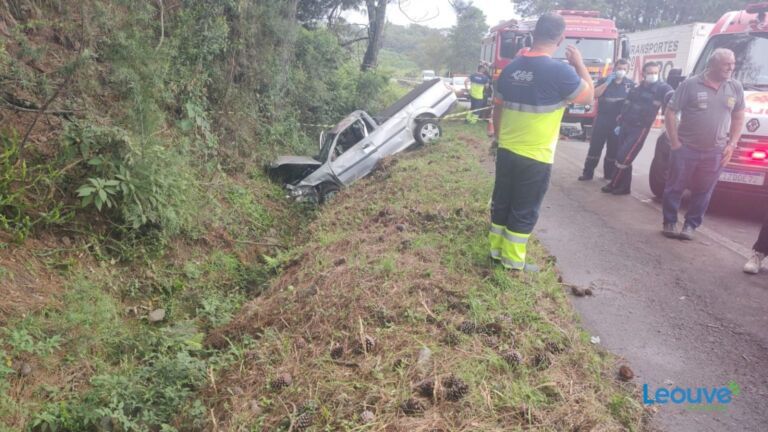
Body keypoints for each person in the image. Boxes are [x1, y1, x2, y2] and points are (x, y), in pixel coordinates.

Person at [489, 12, 594, 272]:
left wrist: (500, 138)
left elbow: (497, 109)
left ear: (534, 34)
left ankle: (495, 252)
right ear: (560, 39)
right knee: (524, 209)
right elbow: (588, 97)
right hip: (536, 157)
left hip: (506, 150)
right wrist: (579, 64)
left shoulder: (511, 68)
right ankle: (513, 262)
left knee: (502, 201)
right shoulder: (561, 72)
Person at [661, 48, 745, 240]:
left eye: (732, 64)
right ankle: (670, 221)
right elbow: (671, 111)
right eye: (726, 64)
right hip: (686, 148)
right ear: (713, 64)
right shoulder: (690, 84)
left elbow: (738, 117)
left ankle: (691, 226)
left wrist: (731, 144)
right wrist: (675, 142)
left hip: (715, 151)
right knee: (675, 186)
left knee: (704, 191)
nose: (731, 68)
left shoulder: (735, 87)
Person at [601, 62, 674, 195]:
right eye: (650, 73)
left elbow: (671, 96)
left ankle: (614, 184)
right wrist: (620, 119)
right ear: (643, 74)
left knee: (624, 156)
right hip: (625, 124)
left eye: (655, 73)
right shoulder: (637, 88)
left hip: (640, 128)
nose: (653, 75)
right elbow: (627, 104)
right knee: (621, 156)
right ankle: (624, 188)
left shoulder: (661, 88)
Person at [579, 59, 635, 181]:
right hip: (602, 119)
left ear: (628, 70)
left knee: (613, 150)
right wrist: (607, 83)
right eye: (619, 68)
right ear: (614, 68)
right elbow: (595, 94)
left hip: (618, 122)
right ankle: (588, 173)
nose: (621, 71)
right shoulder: (604, 80)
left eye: (624, 69)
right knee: (595, 147)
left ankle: (608, 175)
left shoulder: (630, 85)